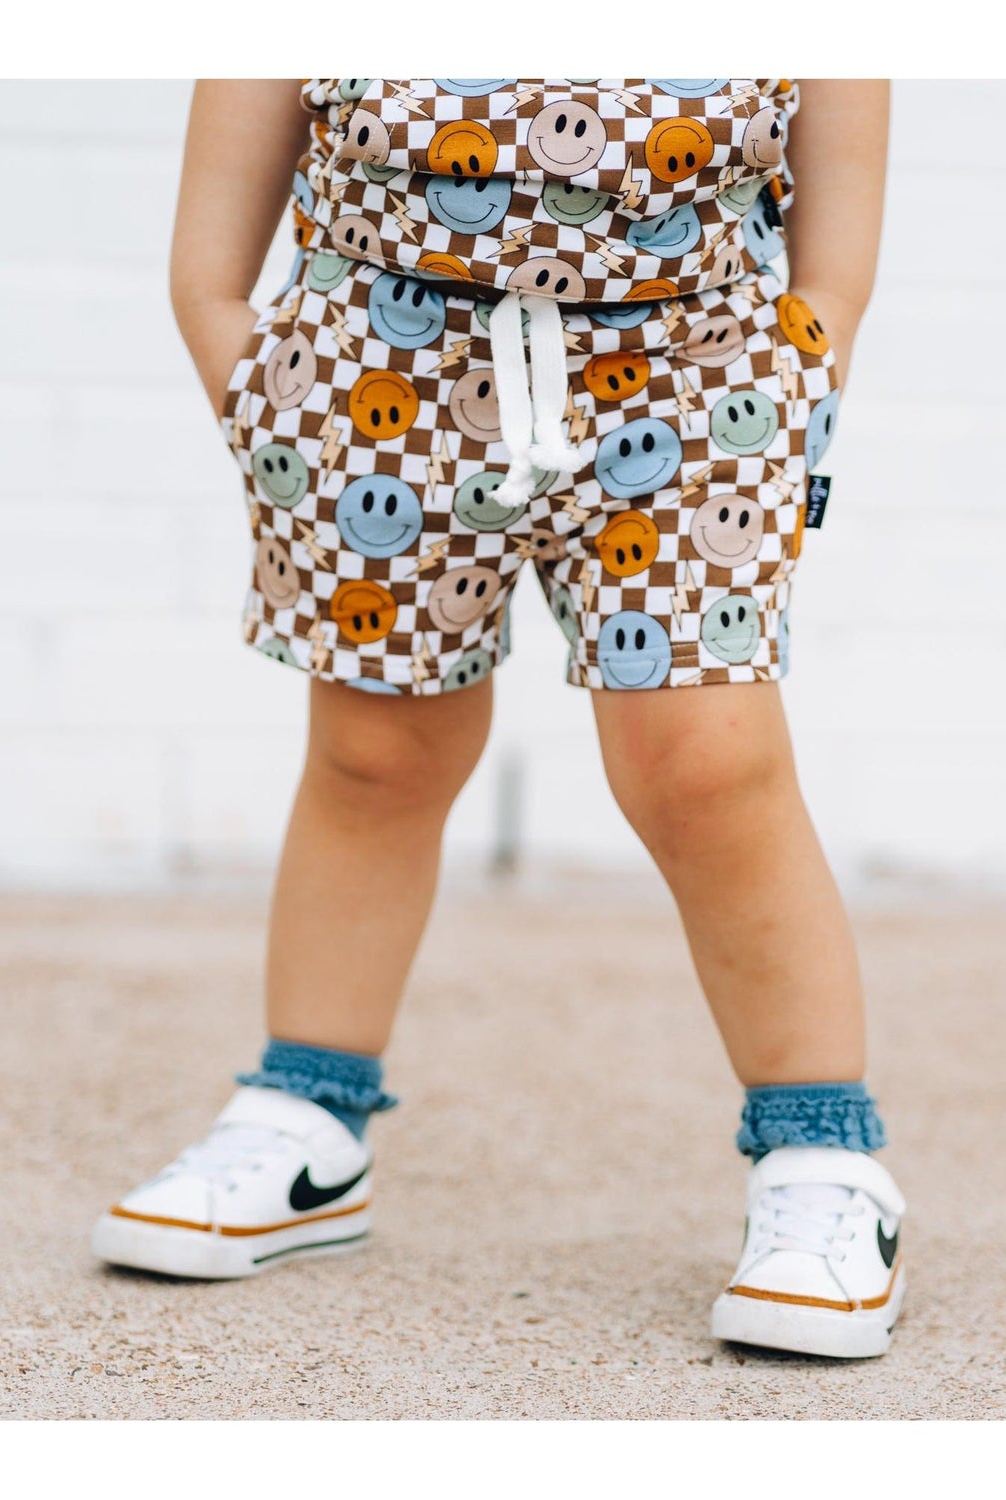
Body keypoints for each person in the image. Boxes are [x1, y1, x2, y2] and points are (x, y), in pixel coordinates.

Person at [92, 78, 900, 1359]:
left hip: (695, 361)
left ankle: (823, 1163)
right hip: (379, 349)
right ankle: (308, 1123)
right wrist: (226, 330)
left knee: (707, 763)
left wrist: (821, 328)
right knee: (374, 752)